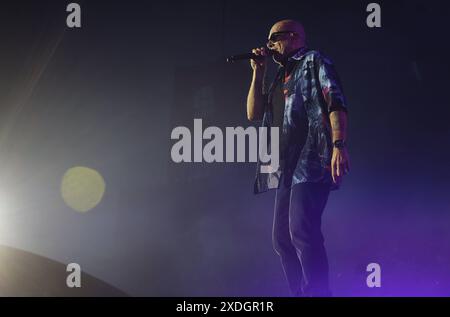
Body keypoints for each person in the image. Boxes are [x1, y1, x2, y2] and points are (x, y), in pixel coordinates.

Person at [246, 19, 350, 296]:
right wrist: (258, 72)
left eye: (274, 39)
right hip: (284, 166)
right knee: (281, 240)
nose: (269, 45)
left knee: (302, 231)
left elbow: (335, 101)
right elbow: (253, 114)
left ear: (293, 37)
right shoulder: (279, 76)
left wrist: (339, 144)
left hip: (312, 159)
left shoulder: (314, 60)